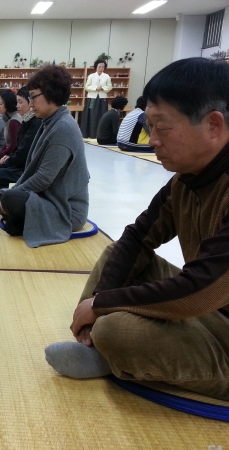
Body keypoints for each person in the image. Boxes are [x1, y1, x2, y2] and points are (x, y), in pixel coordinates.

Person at [44, 57, 229, 401]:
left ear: (213, 125)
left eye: (162, 127)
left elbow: (202, 290)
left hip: (217, 319)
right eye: (150, 126)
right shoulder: (187, 178)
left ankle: (108, 348)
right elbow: (138, 237)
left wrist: (103, 305)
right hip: (209, 312)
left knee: (117, 330)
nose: (152, 140)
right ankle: (94, 342)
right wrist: (100, 304)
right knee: (118, 253)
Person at [0, 65, 89, 247]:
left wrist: (14, 192)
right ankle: (23, 220)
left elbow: (43, 179)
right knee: (2, 196)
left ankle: (24, 221)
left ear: (50, 94)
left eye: (33, 97)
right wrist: (13, 191)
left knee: (9, 199)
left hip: (66, 210)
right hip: (46, 198)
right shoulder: (50, 122)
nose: (30, 104)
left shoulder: (63, 127)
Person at [0, 87, 42, 189]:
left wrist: (9, 159)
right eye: (17, 102)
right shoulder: (25, 120)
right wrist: (9, 157)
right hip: (17, 161)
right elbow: (17, 146)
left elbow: (23, 151)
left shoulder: (35, 122)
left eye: (20, 102)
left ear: (30, 103)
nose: (17, 106)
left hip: (26, 167)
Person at [80, 59, 112, 139]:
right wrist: (95, 88)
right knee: (91, 114)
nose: (101, 68)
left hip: (103, 98)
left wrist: (103, 88)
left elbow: (110, 87)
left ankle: (100, 134)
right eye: (99, 67)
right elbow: (87, 87)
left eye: (103, 67)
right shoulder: (91, 76)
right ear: (96, 67)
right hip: (92, 98)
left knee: (102, 114)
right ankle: (89, 133)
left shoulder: (107, 76)